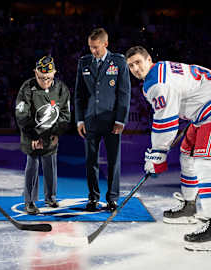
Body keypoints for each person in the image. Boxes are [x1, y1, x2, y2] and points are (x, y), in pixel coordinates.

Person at [125, 45, 211, 251]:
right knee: (188, 153)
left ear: (149, 60)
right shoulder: (161, 69)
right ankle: (189, 206)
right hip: (207, 107)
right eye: (131, 66)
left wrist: (158, 154)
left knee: (206, 163)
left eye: (138, 62)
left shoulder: (157, 82)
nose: (136, 68)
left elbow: (165, 122)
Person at [74, 28, 131, 212]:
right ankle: (93, 198)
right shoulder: (84, 62)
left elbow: (124, 93)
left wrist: (121, 120)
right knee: (91, 161)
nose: (93, 51)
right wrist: (79, 120)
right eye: (91, 47)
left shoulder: (119, 62)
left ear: (105, 44)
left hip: (112, 121)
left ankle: (112, 199)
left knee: (114, 160)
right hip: (90, 121)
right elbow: (79, 95)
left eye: (96, 47)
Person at [15, 56, 71, 215]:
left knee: (50, 165)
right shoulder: (27, 88)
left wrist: (56, 133)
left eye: (48, 77)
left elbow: (65, 115)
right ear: (35, 72)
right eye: (41, 77)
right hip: (31, 134)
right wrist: (33, 135)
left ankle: (51, 197)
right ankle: (30, 201)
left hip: (50, 134)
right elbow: (21, 114)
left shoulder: (61, 89)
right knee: (32, 166)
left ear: (54, 73)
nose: (45, 81)